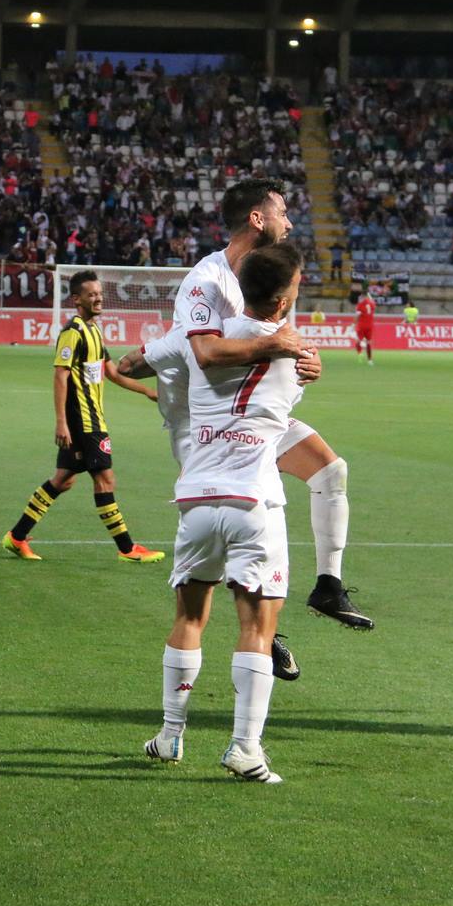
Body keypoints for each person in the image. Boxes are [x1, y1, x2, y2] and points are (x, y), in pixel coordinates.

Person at [120, 178, 372, 633]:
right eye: (282, 212)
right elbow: (206, 352)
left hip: (253, 414)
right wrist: (151, 362)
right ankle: (261, 638)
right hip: (206, 424)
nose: (290, 223)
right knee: (239, 530)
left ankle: (328, 587)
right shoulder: (206, 280)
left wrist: (307, 360)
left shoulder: (266, 273)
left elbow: (272, 338)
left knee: (330, 471)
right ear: (258, 219)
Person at [143, 243, 306, 783]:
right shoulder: (289, 356)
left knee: (189, 617)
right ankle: (244, 748)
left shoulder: (204, 340)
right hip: (253, 500)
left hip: (196, 496)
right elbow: (294, 384)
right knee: (258, 626)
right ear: (283, 299)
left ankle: (170, 736)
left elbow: (172, 357)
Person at [2, 270, 165, 564]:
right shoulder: (72, 332)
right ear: (77, 299)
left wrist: (146, 391)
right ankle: (127, 548)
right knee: (105, 479)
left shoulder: (94, 332)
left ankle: (16, 536)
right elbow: (60, 375)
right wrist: (61, 422)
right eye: (92, 294)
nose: (99, 298)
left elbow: (112, 373)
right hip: (83, 421)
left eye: (100, 293)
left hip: (92, 418)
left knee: (63, 480)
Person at [354, 290, 376, 366]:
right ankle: (370, 360)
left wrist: (354, 324)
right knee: (369, 342)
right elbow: (372, 301)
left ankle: (360, 353)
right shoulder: (372, 304)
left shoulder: (360, 305)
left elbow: (357, 316)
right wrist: (369, 296)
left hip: (361, 325)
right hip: (370, 325)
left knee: (357, 340)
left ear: (362, 297)